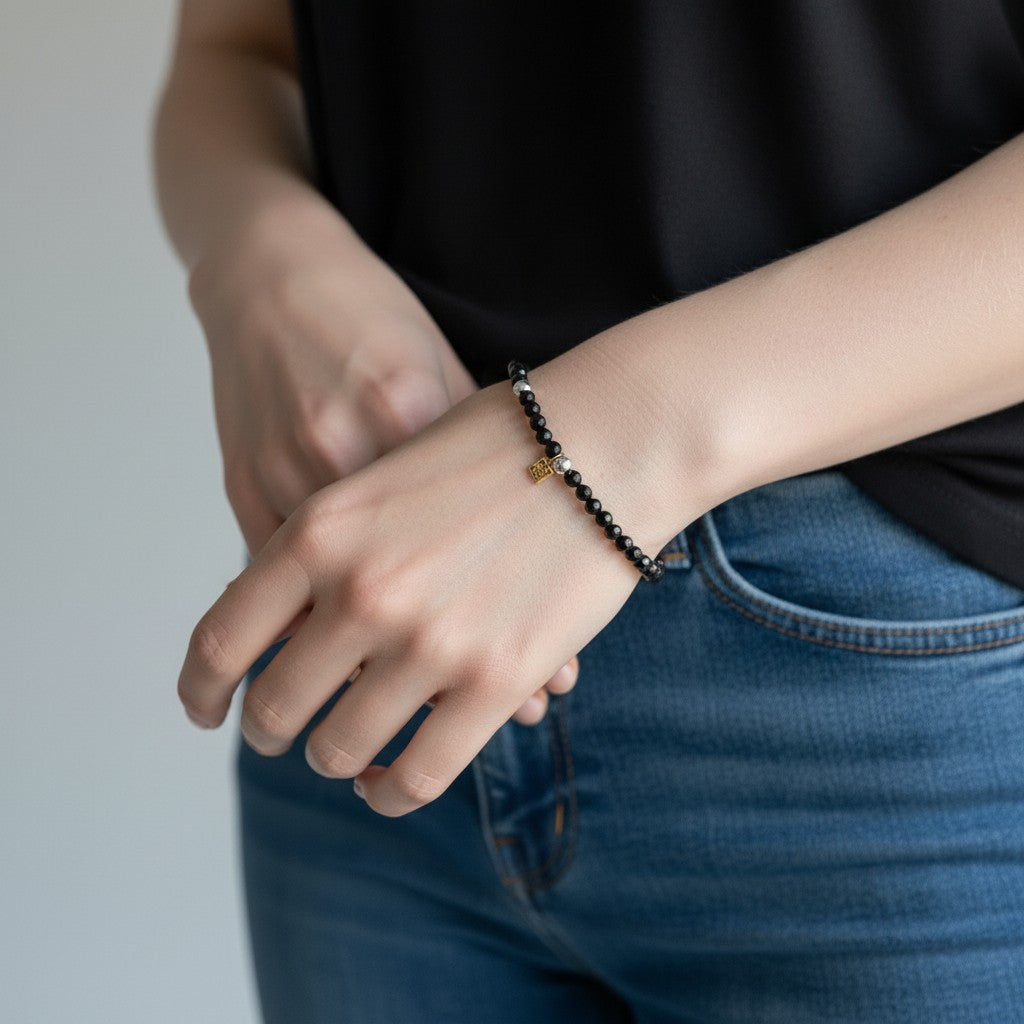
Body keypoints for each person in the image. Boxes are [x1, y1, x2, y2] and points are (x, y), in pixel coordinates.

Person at [153, 1, 1024, 1021]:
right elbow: (239, 48)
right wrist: (264, 258)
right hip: (372, 643)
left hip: (913, 700)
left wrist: (611, 445)